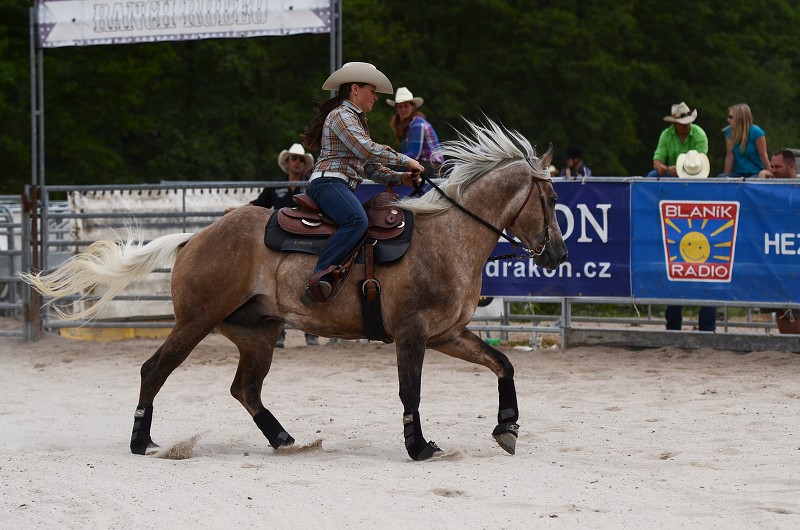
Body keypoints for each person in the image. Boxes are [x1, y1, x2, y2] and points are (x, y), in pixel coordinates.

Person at [299, 62, 424, 306]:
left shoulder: (353, 119)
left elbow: (370, 167)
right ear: (355, 89)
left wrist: (401, 178)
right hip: (329, 182)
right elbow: (366, 150)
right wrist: (406, 161)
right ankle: (319, 277)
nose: (376, 97)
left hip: (338, 185)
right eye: (372, 91)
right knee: (357, 220)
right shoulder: (342, 115)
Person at [233, 143, 321, 346]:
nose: (296, 162)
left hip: (305, 235)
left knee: (306, 277)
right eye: (293, 159)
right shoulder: (276, 185)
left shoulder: (311, 185)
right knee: (275, 281)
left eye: (299, 159)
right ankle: (279, 331)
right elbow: (259, 203)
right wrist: (237, 211)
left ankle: (311, 331)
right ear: (287, 162)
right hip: (282, 237)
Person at [757, 149, 800, 333]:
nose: (773, 170)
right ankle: (787, 345)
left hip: (794, 255)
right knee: (781, 308)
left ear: (791, 166)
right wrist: (761, 178)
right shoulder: (770, 185)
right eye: (771, 166)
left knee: (796, 309)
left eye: (778, 167)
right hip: (776, 257)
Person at [387, 87, 443, 173]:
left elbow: (414, 155)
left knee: (390, 169)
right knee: (389, 169)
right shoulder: (408, 125)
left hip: (433, 166)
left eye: (406, 106)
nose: (403, 110)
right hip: (424, 164)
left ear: (413, 107)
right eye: (400, 107)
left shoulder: (417, 124)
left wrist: (390, 160)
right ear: (397, 109)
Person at [646, 102, 709, 178]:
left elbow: (701, 159)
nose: (686, 125)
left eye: (688, 122)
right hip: (672, 174)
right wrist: (660, 167)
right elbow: (658, 158)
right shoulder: (666, 135)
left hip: (695, 174)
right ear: (674, 123)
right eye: (682, 123)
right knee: (652, 176)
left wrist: (681, 168)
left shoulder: (699, 134)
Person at [720, 103, 770, 178]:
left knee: (750, 182)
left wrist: (770, 172)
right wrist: (726, 178)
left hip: (756, 172)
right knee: (721, 178)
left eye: (731, 117)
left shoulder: (756, 132)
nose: (728, 120)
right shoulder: (729, 132)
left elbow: (763, 156)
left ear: (740, 118)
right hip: (738, 174)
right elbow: (730, 157)